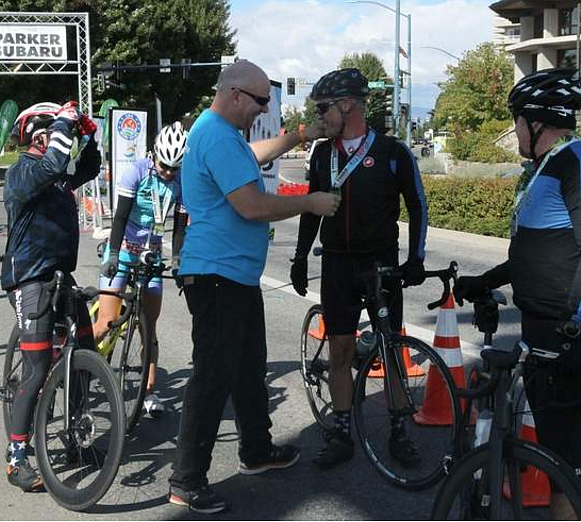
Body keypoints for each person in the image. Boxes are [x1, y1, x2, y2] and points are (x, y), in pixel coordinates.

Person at [166, 60, 341, 514]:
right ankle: (186, 480)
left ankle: (257, 452)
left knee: (247, 369)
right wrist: (311, 203)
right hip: (218, 275)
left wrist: (301, 136)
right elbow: (250, 205)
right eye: (261, 100)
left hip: (232, 275)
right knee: (212, 378)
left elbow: (255, 154)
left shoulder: (221, 133)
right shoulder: (218, 136)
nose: (264, 109)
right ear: (237, 95)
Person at [453, 67, 581, 520]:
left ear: (535, 123)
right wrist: (485, 281)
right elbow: (542, 252)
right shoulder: (548, 168)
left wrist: (573, 322)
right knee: (561, 457)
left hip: (562, 336)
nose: (516, 129)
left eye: (517, 120)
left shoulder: (572, 162)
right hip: (545, 329)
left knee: (565, 466)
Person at [289, 68, 429, 470]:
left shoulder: (391, 151)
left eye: (323, 109)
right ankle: (342, 431)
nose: (320, 117)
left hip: (380, 263)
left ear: (347, 105)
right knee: (340, 351)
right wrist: (300, 257)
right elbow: (310, 209)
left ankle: (400, 432)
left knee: (392, 349)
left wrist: (415, 259)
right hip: (337, 264)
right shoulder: (321, 153)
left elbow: (417, 204)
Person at [0, 101, 101, 491]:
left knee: (86, 350)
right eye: (53, 133)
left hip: (60, 276)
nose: (61, 140)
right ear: (36, 136)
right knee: (38, 368)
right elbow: (54, 165)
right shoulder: (22, 173)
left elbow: (87, 168)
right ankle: (16, 458)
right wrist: (63, 121)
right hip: (29, 278)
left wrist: (89, 135)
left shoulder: (55, 178)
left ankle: (74, 428)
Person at [93, 122, 189, 416]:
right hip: (123, 249)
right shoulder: (135, 171)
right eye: (164, 165)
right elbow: (120, 218)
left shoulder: (181, 181)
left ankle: (148, 393)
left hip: (152, 255)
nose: (169, 173)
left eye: (175, 168)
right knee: (107, 321)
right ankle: (75, 368)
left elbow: (180, 227)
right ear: (154, 155)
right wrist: (111, 254)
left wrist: (178, 261)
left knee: (149, 327)